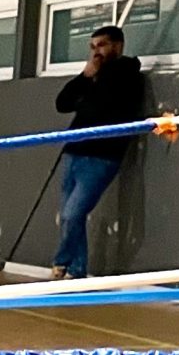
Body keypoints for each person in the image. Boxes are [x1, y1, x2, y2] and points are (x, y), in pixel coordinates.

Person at [53, 24, 147, 280]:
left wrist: (92, 84)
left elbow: (103, 106)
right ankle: (77, 270)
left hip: (101, 157)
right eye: (92, 47)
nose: (96, 53)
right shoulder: (93, 75)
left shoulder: (125, 73)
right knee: (70, 217)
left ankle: (60, 263)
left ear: (117, 46)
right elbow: (62, 103)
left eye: (102, 46)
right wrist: (85, 76)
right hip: (74, 151)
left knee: (73, 213)